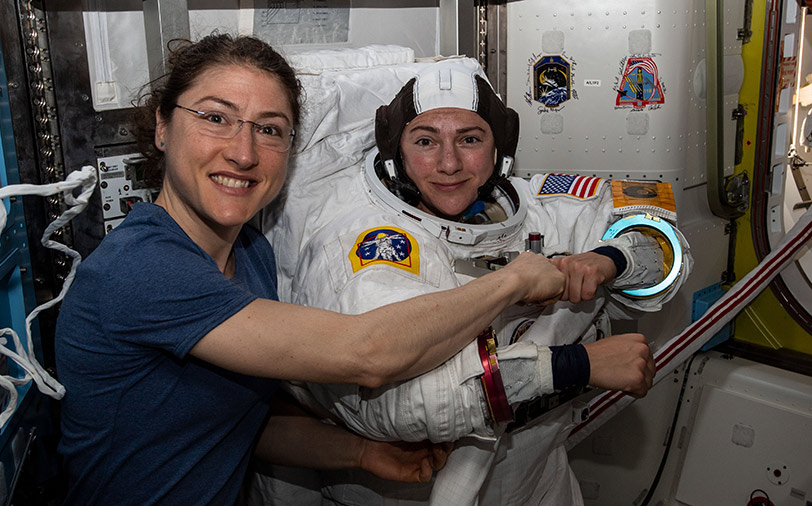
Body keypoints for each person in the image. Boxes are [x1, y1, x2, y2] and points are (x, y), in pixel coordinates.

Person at [52, 35, 570, 506]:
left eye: (269, 129)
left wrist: (361, 454)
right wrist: (515, 280)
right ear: (163, 127)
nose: (243, 151)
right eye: (216, 118)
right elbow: (366, 353)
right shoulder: (143, 268)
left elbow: (240, 423)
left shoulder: (249, 255)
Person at [251, 58, 692, 505]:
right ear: (396, 152)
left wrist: (611, 257)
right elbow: (406, 405)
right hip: (406, 491)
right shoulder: (372, 241)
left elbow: (663, 236)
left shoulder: (540, 206)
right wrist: (577, 364)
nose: (449, 163)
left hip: (538, 479)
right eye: (425, 141)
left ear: (500, 144)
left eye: (470, 140)